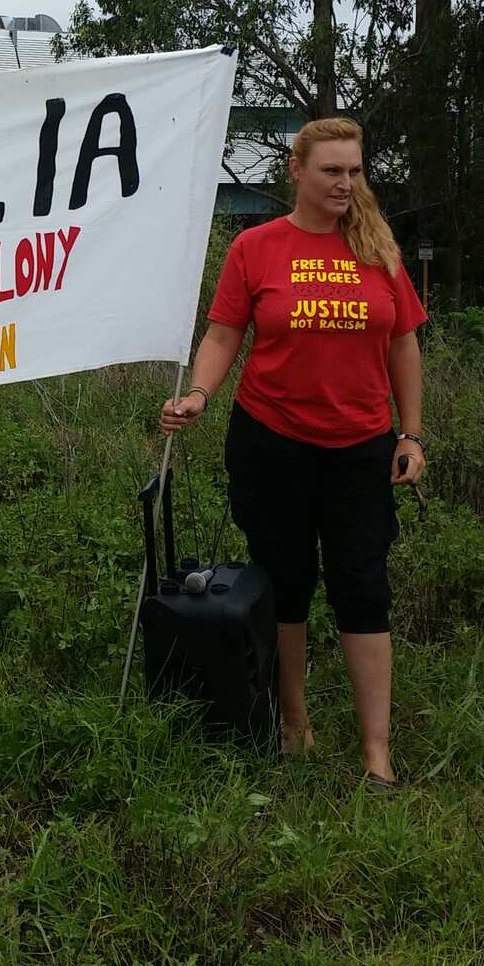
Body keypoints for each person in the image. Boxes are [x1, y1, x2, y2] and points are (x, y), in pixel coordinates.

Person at [160, 118, 426, 789]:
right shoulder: (256, 247)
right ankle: (293, 725)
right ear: (296, 171)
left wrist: (412, 433)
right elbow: (224, 335)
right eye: (332, 170)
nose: (345, 182)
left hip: (361, 446)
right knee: (285, 583)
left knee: (363, 587)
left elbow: (403, 344)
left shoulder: (379, 250)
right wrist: (198, 392)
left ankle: (376, 754)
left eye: (355, 170)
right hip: (270, 439)